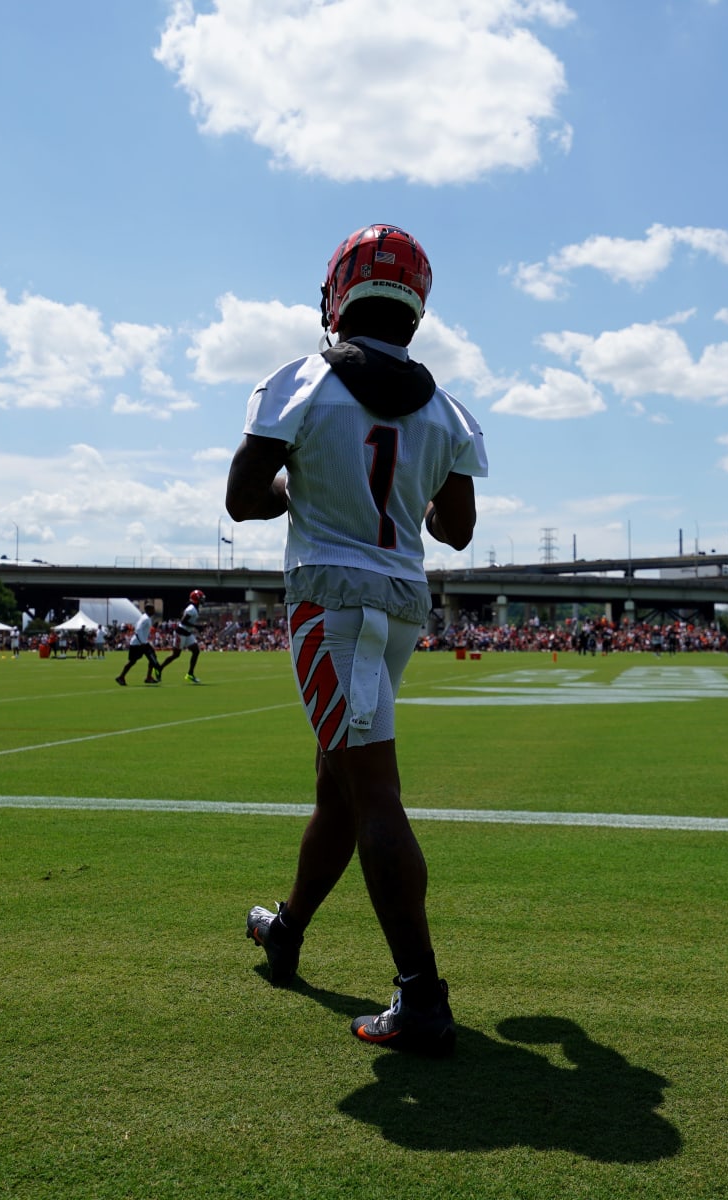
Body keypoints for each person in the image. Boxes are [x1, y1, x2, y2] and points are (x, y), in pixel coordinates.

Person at [227, 223, 487, 1057]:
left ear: (338, 294)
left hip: (330, 599)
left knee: (371, 788)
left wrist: (300, 483)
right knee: (339, 776)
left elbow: (242, 498)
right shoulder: (446, 409)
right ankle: (289, 928)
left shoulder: (302, 381)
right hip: (403, 602)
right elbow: (456, 530)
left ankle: (421, 995)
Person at [156, 589, 206, 683]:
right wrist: (196, 627)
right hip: (181, 632)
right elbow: (183, 621)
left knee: (196, 651)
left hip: (187, 633)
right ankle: (159, 668)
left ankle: (190, 674)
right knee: (176, 655)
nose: (202, 600)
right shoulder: (191, 608)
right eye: (201, 598)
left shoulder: (194, 607)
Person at [114, 603, 162, 685]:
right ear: (148, 610)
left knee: (152, 658)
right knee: (132, 661)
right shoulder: (146, 619)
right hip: (138, 644)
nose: (154, 611)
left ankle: (148, 677)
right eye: (152, 609)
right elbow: (138, 630)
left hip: (141, 643)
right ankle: (121, 677)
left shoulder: (145, 617)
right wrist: (143, 642)